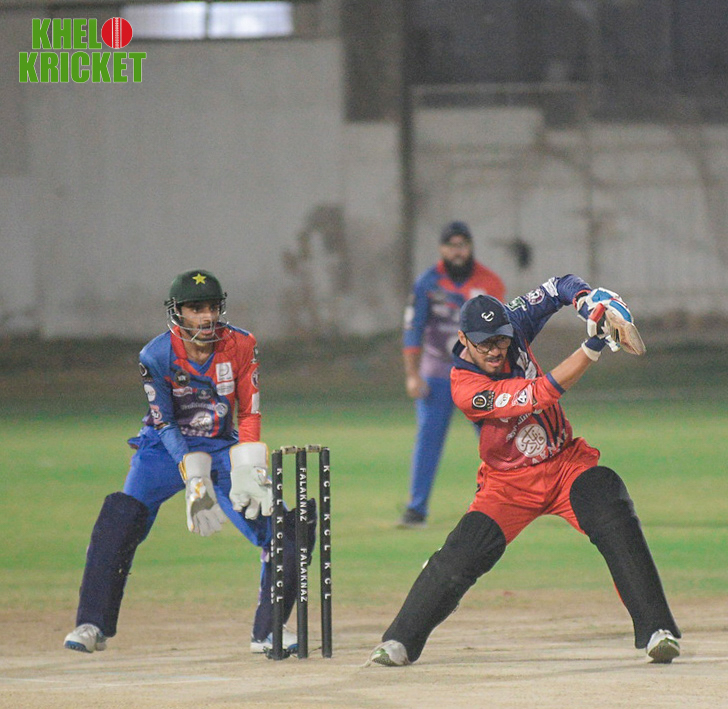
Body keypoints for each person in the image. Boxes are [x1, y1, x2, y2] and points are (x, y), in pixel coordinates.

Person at [367, 276, 681, 666]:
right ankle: (399, 641)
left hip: (564, 463)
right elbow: (541, 393)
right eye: (484, 344)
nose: (496, 351)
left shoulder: (511, 326)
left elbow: (559, 286)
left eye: (500, 341)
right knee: (461, 556)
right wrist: (595, 344)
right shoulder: (466, 387)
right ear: (464, 340)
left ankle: (657, 631)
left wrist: (587, 301)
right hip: (508, 485)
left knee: (610, 504)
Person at [64, 269, 300, 655]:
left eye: (212, 308)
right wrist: (192, 474)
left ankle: (269, 630)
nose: (207, 317)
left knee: (282, 527)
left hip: (222, 447)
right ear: (177, 312)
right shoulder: (156, 355)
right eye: (196, 309)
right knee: (119, 522)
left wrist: (248, 464)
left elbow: (249, 412)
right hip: (163, 449)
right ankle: (92, 624)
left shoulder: (241, 344)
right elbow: (165, 422)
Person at [399, 220, 505, 528]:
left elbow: (503, 332)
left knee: (495, 442)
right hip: (436, 375)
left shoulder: (489, 282)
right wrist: (412, 374)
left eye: (462, 245)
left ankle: (508, 502)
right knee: (428, 442)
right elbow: (413, 328)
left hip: (479, 378)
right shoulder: (427, 283)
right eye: (451, 246)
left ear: (470, 247)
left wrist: (501, 376)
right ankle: (416, 509)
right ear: (441, 249)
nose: (457, 252)